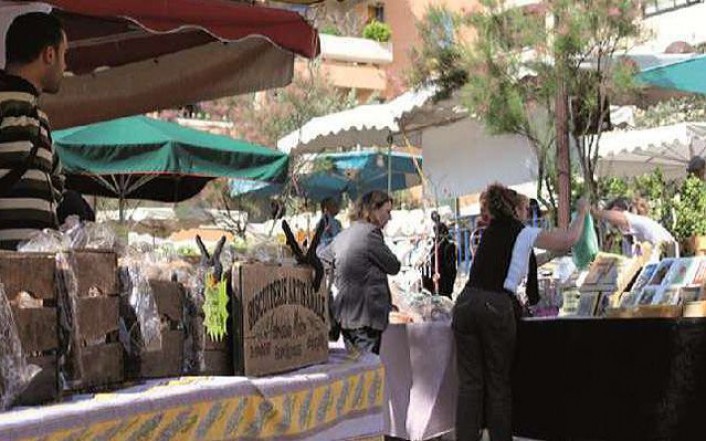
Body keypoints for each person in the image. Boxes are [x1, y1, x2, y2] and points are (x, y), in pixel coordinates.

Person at [453, 183, 589, 441]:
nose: (528, 212)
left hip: (466, 303)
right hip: (495, 306)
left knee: (470, 385)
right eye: (526, 208)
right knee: (498, 384)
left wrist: (547, 257)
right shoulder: (521, 231)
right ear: (515, 209)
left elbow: (517, 262)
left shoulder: (491, 232)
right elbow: (569, 238)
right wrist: (581, 212)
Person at [0, 12, 67, 250]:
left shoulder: (39, 118)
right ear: (49, 55)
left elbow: (57, 179)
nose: (65, 65)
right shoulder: (14, 108)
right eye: (63, 55)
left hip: (30, 271)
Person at [319, 190, 400, 355]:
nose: (389, 218)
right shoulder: (370, 234)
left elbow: (323, 261)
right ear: (374, 210)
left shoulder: (343, 235)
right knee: (368, 372)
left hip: (346, 318)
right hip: (365, 318)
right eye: (387, 212)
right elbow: (394, 266)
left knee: (356, 371)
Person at [592, 196, 675, 259]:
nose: (611, 224)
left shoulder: (641, 222)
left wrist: (595, 212)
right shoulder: (628, 239)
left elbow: (624, 218)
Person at [422, 221, 457, 297]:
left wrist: (440, 275)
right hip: (434, 283)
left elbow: (450, 268)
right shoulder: (434, 246)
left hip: (443, 284)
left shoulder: (448, 246)